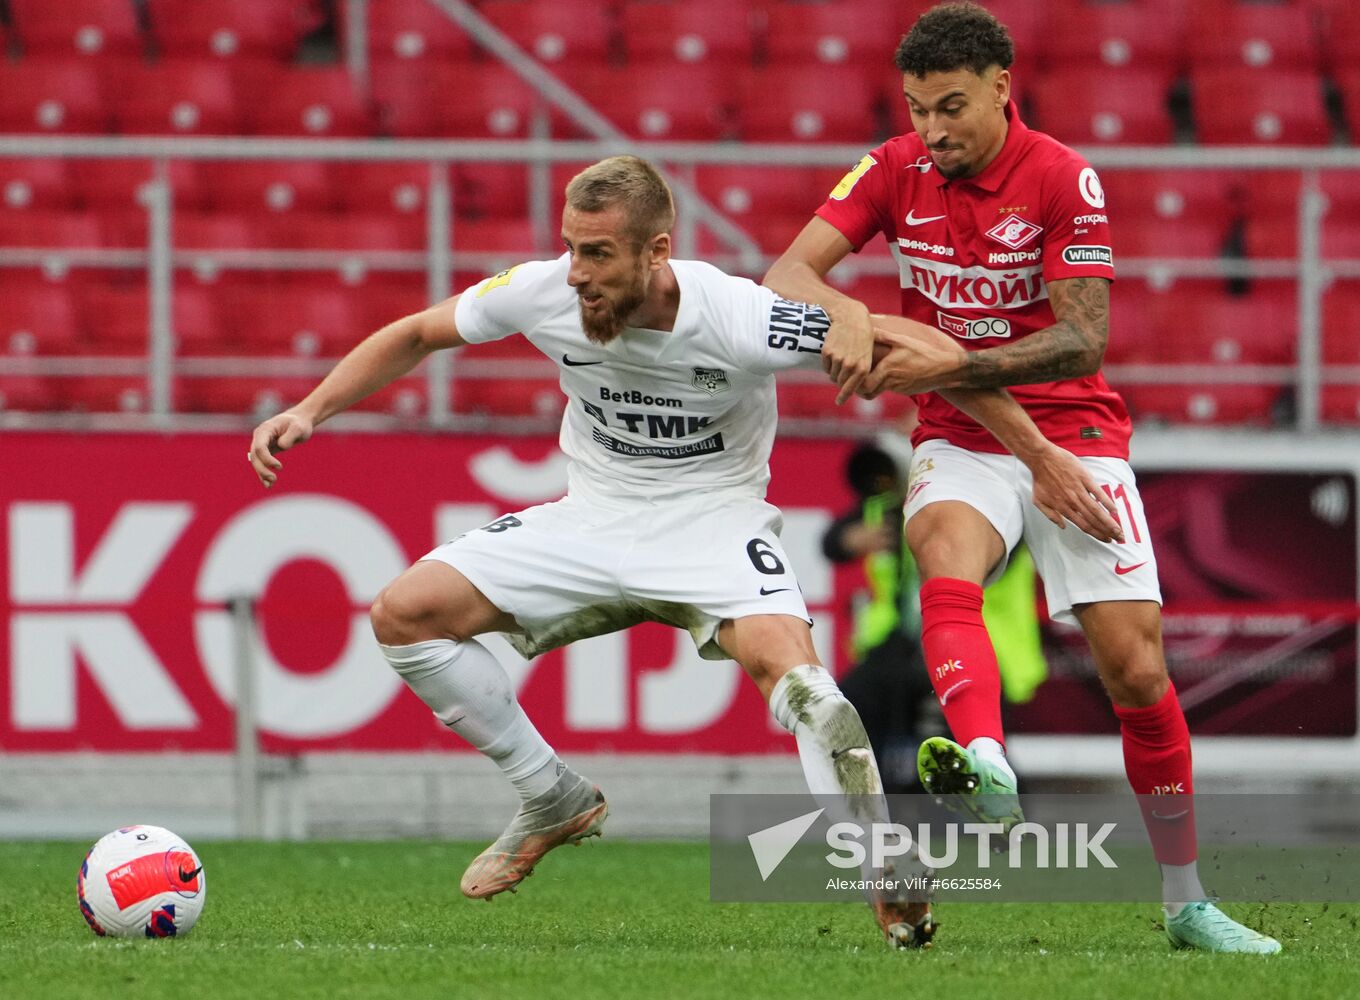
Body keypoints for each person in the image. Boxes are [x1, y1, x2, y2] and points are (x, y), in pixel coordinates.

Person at [247, 154, 1117, 951]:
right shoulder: (542, 291)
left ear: (657, 250)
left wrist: (1034, 453)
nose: (577, 273)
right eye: (570, 250)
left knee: (814, 693)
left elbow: (922, 348)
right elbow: (417, 332)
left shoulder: (736, 315)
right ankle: (550, 795)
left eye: (597, 254)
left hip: (712, 524)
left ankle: (880, 872)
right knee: (405, 615)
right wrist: (310, 411)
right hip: (592, 517)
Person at [764, 1, 1280, 955]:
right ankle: (987, 761)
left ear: (1004, 87)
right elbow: (787, 273)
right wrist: (853, 316)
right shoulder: (891, 168)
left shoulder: (1060, 177)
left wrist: (941, 358)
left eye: (951, 106)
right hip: (958, 436)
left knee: (1138, 672)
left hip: (1076, 434)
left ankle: (1186, 902)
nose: (933, 130)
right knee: (941, 555)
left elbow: (1083, 338)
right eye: (918, 108)